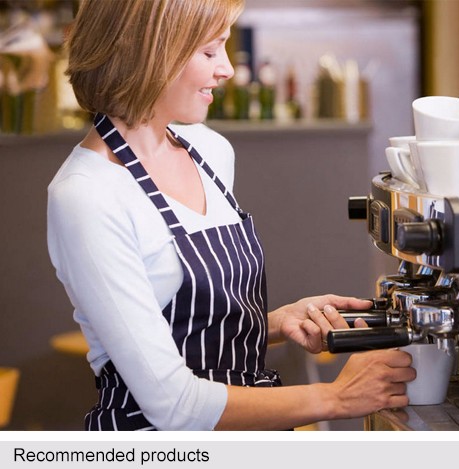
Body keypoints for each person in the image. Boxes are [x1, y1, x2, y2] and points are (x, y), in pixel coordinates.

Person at [46, 0, 415, 431]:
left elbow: (189, 335)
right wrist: (337, 397)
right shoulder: (87, 195)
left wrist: (272, 323)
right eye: (209, 51)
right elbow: (173, 404)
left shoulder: (209, 151)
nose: (226, 70)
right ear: (146, 51)